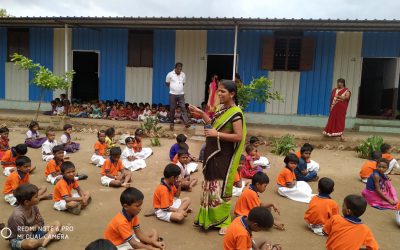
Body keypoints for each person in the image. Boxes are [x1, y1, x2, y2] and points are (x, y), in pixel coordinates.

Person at [189, 80, 246, 235]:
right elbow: (212, 125)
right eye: (218, 91)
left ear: (232, 94)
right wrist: (201, 114)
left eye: (223, 92)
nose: (218, 94)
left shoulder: (235, 113)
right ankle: (209, 218)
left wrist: (217, 134)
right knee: (210, 184)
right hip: (214, 154)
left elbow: (239, 136)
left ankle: (224, 221)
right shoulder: (222, 110)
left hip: (224, 156)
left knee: (220, 187)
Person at [7, 184, 62, 250]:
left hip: (33, 233)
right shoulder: (17, 215)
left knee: (57, 223)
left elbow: (41, 222)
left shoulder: (34, 207)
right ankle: (49, 238)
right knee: (31, 243)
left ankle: (42, 245)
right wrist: (35, 227)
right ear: (27, 202)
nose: (39, 198)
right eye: (36, 197)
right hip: (18, 239)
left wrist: (33, 228)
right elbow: (23, 235)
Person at [166, 62, 190, 130]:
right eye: (178, 69)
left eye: (180, 69)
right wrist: (173, 88)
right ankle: (171, 123)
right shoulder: (170, 74)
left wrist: (178, 89)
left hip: (181, 94)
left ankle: (186, 122)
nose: (179, 70)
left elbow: (183, 83)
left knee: (183, 107)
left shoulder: (183, 74)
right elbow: (167, 83)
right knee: (172, 109)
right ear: (175, 68)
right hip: (172, 94)